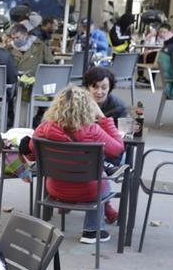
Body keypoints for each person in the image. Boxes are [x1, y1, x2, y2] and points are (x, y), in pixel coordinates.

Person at [28, 86, 125, 244]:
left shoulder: (43, 129)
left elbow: (32, 154)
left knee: (97, 180)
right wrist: (104, 119)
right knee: (101, 180)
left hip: (55, 189)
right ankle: (92, 231)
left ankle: (45, 226)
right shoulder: (93, 130)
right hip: (89, 191)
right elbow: (118, 149)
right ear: (88, 107)